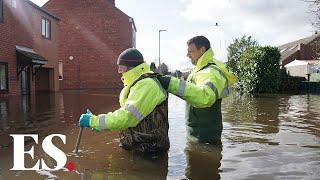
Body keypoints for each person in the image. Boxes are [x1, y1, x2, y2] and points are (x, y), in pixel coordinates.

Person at [79, 48, 169, 154]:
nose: (118, 71)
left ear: (130, 67)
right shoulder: (137, 84)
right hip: (138, 147)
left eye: (121, 67)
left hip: (149, 151)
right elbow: (124, 117)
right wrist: (100, 125)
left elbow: (127, 117)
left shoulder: (147, 85)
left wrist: (93, 121)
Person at [157, 35, 237, 143]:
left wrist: (170, 83)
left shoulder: (211, 72)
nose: (187, 55)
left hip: (205, 136)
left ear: (202, 50)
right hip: (197, 134)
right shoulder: (199, 70)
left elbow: (204, 97)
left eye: (191, 51)